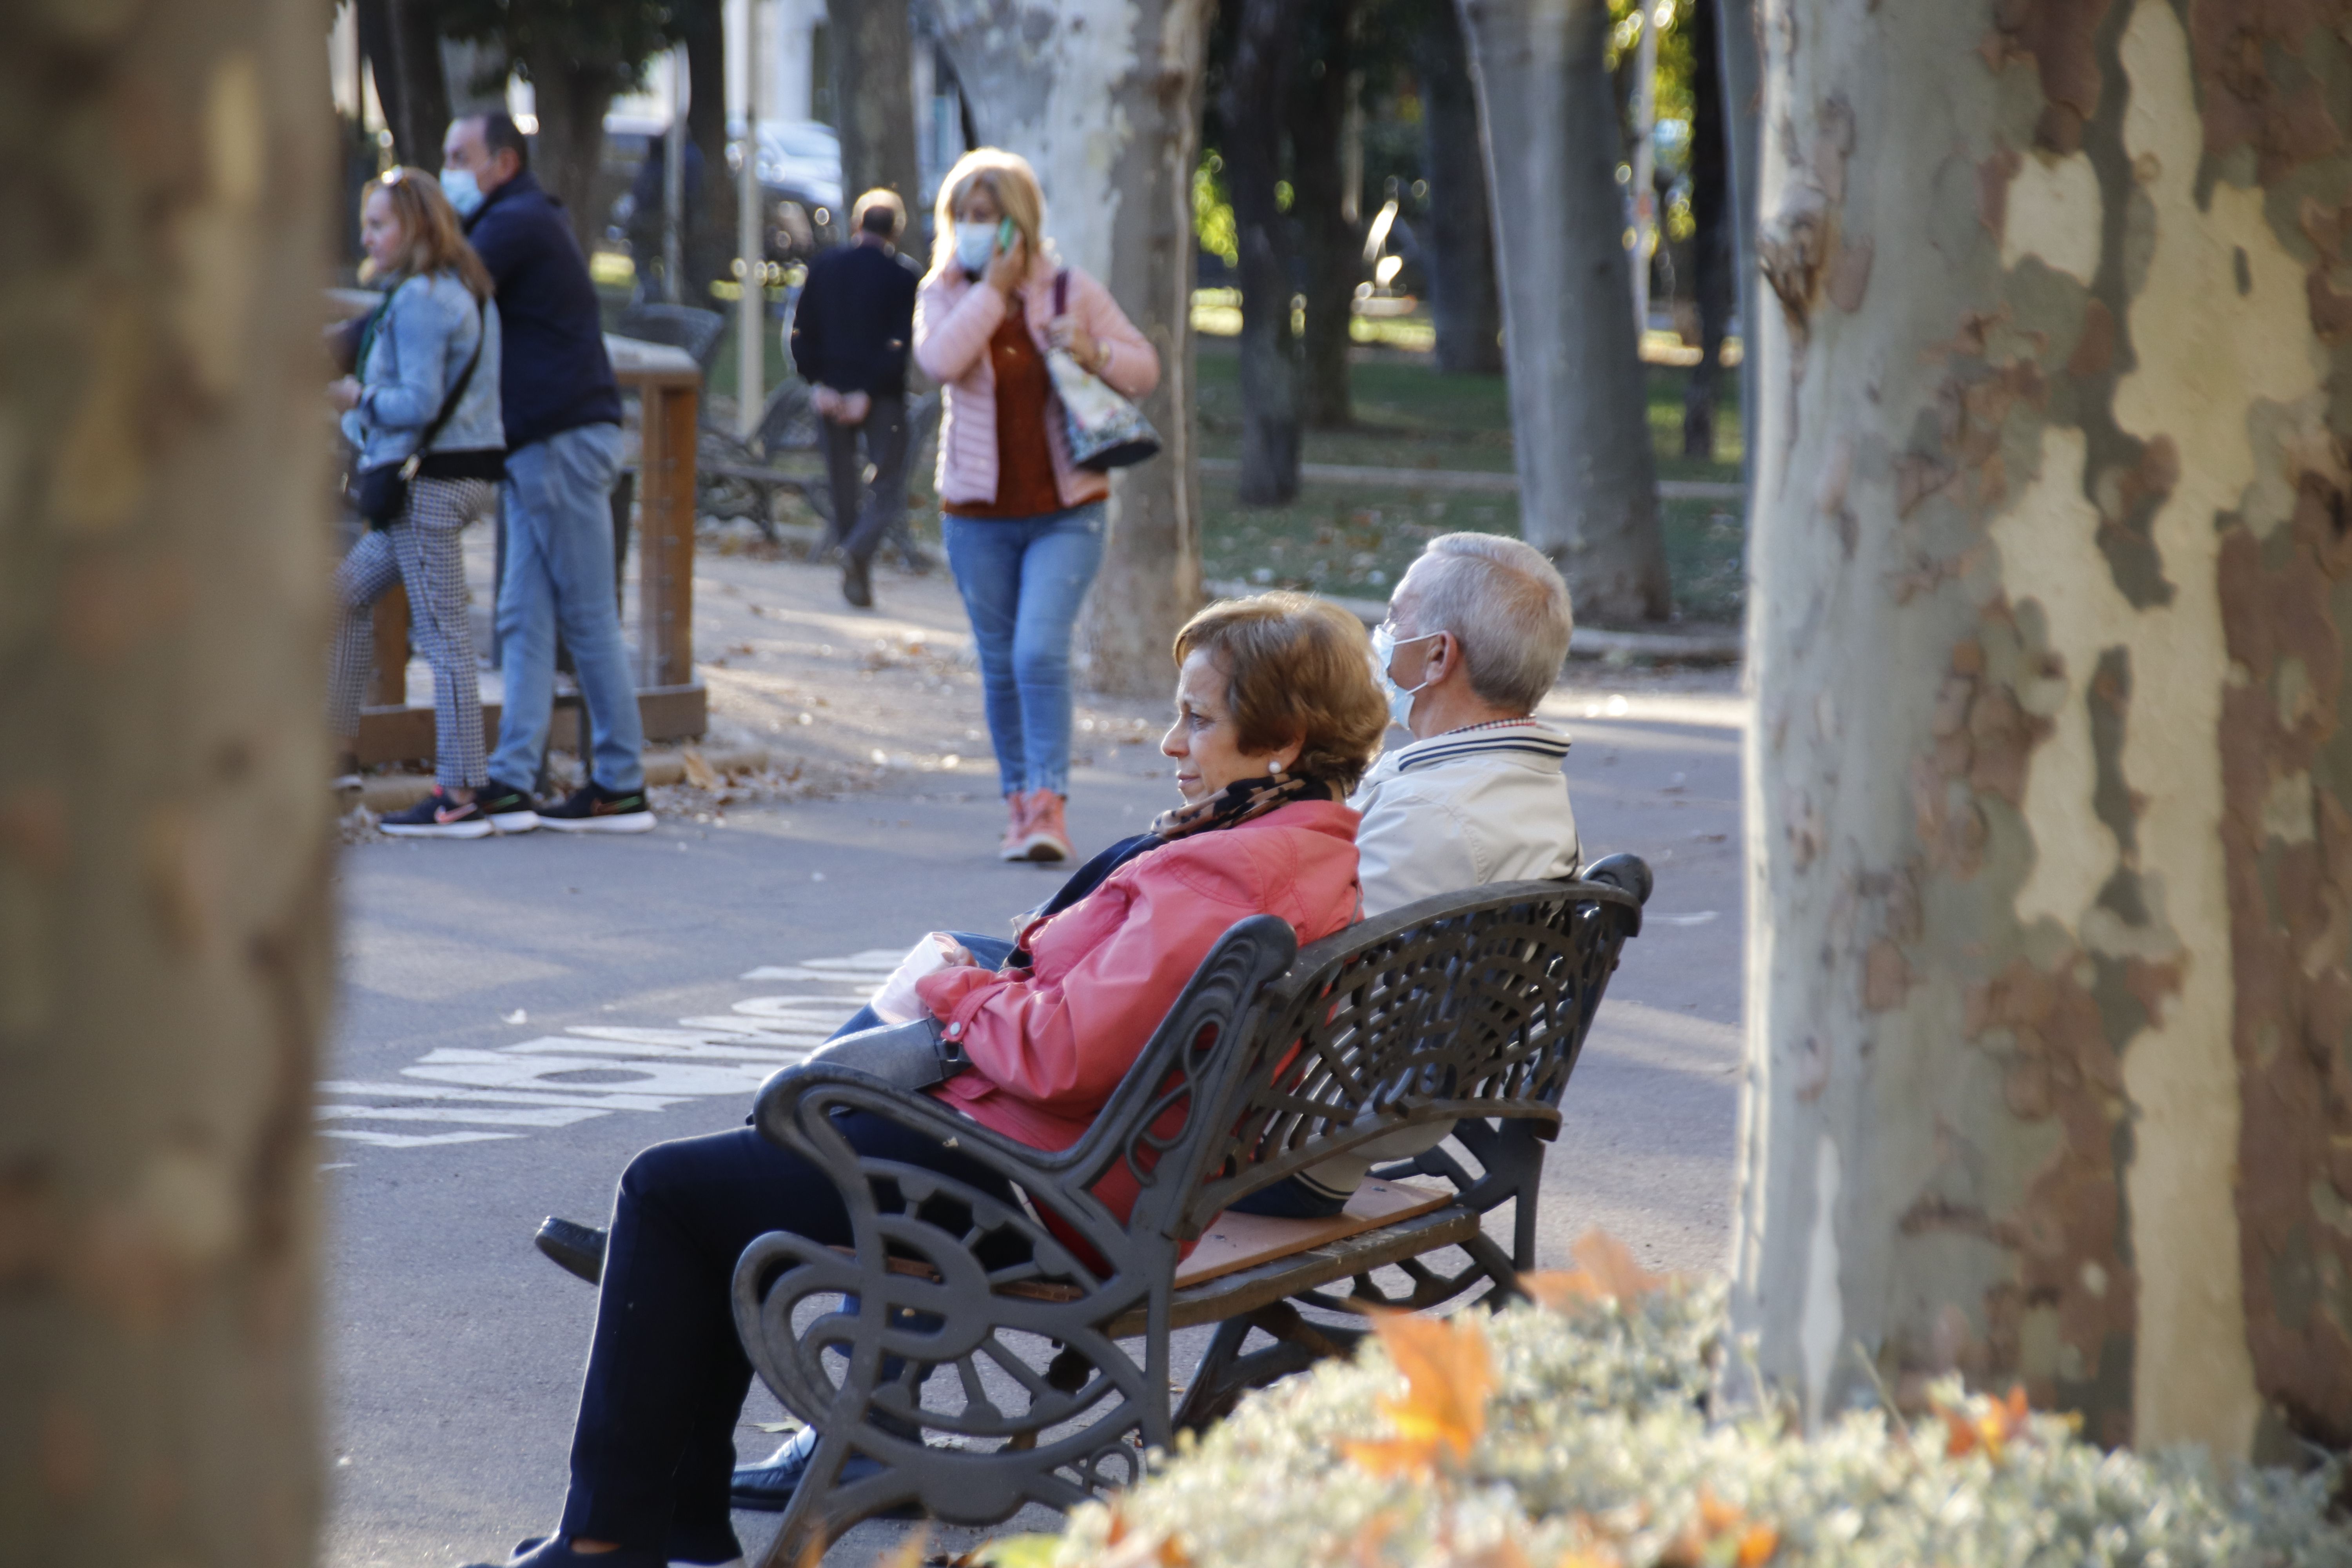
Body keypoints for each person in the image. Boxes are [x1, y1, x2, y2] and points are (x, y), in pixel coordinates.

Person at [463, 595, 1385, 1568]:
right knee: (722, 1185)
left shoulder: (1223, 874)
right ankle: (676, 1528)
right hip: (1101, 1164)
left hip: (1046, 1185)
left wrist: (952, 990)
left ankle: (608, 1543)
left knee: (668, 1192)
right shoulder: (1307, 841)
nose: (1170, 740)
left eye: (1198, 718)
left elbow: (1063, 1054)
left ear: (1284, 740)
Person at [1234, 532, 1583, 1218]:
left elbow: (1294, 981)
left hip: (1275, 1146)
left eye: (1397, 617)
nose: (1381, 634)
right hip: (1344, 1115)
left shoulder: (1436, 811)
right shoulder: (1504, 785)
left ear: (1440, 655)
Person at [915, 148, 1159, 864]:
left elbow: (1141, 366)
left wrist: (1092, 350)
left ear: (1019, 223)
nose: (972, 228)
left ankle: (1049, 802)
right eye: (961, 216)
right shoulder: (945, 292)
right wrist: (991, 290)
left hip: (1066, 508)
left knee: (1037, 650)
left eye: (986, 217)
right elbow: (939, 362)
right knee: (998, 662)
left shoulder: (1069, 291)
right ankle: (1018, 803)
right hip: (975, 516)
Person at [441, 112, 655, 834]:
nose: (449, 169)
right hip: (541, 443)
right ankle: (511, 777)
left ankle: (622, 781)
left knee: (587, 617)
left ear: (501, 161)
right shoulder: (522, 215)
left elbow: (442, 294)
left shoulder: (516, 220)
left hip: (562, 441)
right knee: (521, 618)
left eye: (457, 156)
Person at [328, 168, 508, 839]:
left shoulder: (425, 300)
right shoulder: (455, 289)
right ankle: (335, 757)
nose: (367, 235)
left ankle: (460, 793)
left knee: (443, 637)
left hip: (429, 482)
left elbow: (419, 403)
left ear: (417, 230)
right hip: (435, 479)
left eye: (380, 225)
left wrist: (356, 399)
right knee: (342, 601)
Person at [790, 188, 921, 609]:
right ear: (895, 231)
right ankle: (856, 558)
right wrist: (867, 391)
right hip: (880, 396)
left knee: (842, 484)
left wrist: (820, 383)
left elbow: (801, 331)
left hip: (834, 390)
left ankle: (854, 557)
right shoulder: (903, 277)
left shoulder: (825, 266)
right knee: (888, 485)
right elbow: (900, 344)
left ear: (857, 225)